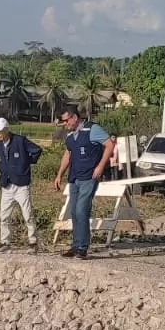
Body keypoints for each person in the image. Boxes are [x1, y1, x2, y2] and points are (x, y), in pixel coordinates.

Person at [54, 108, 115, 259]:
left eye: (67, 120)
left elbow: (109, 145)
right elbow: (68, 154)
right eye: (63, 121)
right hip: (74, 178)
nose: (65, 124)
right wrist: (59, 175)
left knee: (82, 210)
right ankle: (76, 246)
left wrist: (100, 166)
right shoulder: (69, 135)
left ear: (75, 117)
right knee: (74, 212)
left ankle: (82, 248)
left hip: (89, 176)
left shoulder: (92, 129)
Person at [0, 116, 41, 252]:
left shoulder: (20, 141)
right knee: (4, 215)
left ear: (7, 130)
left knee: (27, 214)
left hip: (21, 185)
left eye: (0, 131)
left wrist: (26, 162)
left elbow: (37, 150)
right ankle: (5, 242)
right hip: (6, 185)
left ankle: (33, 243)